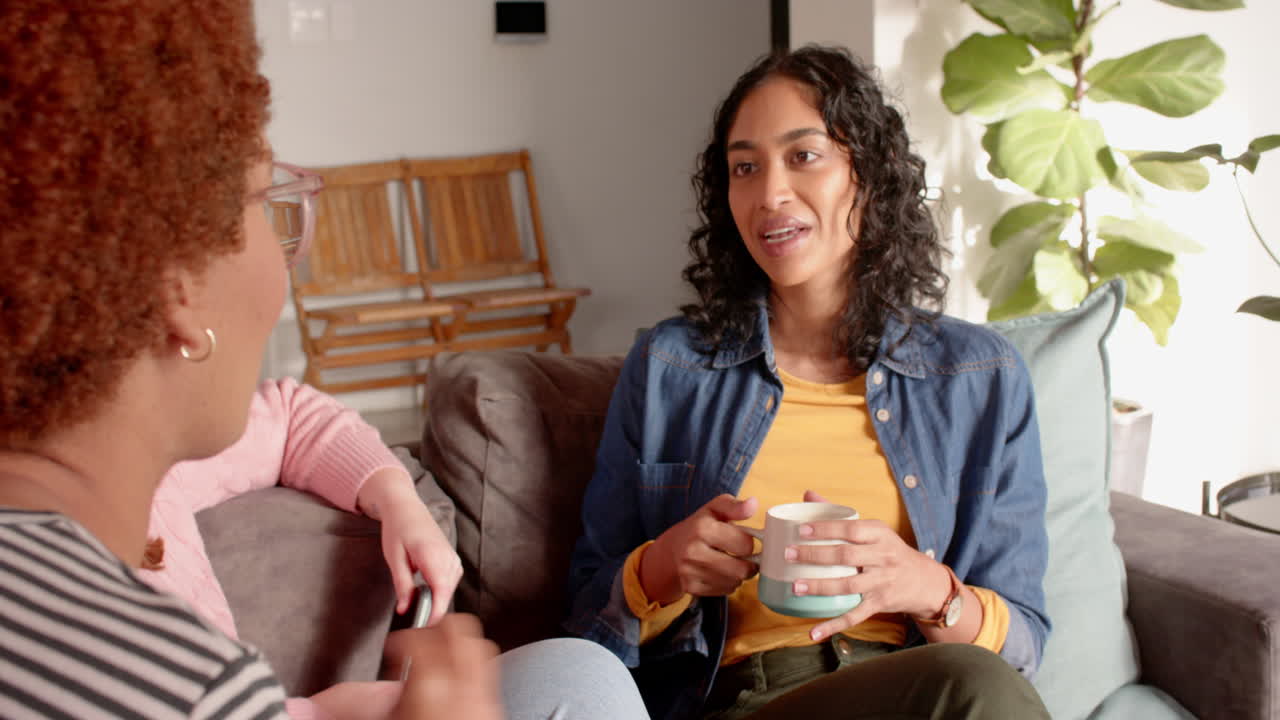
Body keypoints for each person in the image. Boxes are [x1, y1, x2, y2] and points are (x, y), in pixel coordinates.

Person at [0, 2, 647, 719]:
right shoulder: (181, 681)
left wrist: (326, 707)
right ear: (176, 286)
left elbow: (285, 417)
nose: (287, 265)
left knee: (574, 671)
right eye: (264, 202)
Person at [564, 45, 1053, 720]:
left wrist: (930, 588)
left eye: (804, 155)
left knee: (976, 683)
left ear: (870, 175)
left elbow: (1025, 644)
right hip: (751, 698)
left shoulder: (980, 378)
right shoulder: (671, 368)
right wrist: (661, 569)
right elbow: (581, 628)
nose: (769, 194)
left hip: (926, 687)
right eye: (745, 167)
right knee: (973, 686)